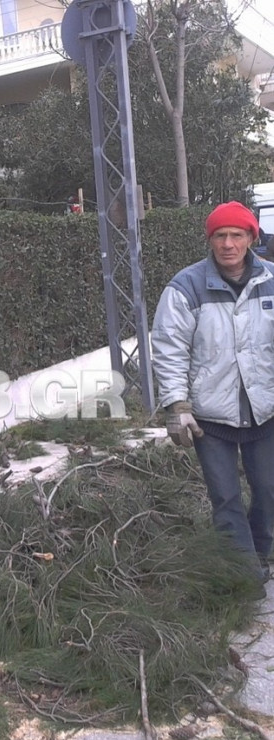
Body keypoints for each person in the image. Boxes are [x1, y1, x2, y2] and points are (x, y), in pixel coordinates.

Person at [151, 201, 274, 592]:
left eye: (236, 235)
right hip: (210, 417)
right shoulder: (186, 287)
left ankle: (261, 552)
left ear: (251, 237)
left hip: (265, 410)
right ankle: (243, 573)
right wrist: (177, 405)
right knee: (225, 497)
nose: (228, 244)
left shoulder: (271, 281)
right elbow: (169, 348)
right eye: (220, 235)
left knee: (269, 490)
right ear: (210, 240)